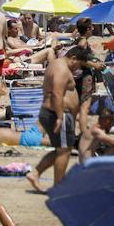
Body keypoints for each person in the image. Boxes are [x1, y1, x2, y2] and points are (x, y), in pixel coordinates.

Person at [25, 46, 88, 191]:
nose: (78, 69)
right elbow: (57, 93)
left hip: (54, 112)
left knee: (61, 149)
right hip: (59, 113)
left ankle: (35, 174)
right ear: (73, 59)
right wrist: (60, 117)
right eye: (79, 65)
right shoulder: (62, 69)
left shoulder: (56, 64)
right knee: (64, 150)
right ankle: (59, 187)